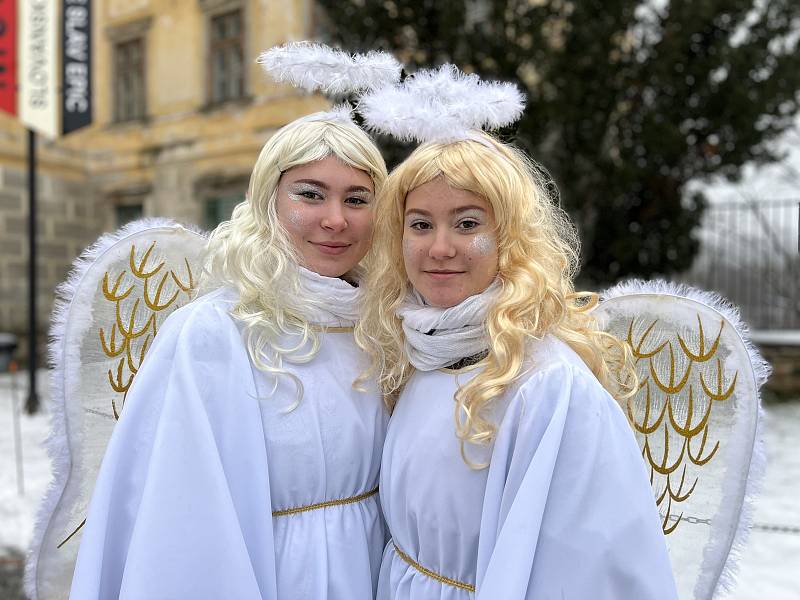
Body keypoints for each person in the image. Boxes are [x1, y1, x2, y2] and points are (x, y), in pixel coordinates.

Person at [69, 112, 390, 599]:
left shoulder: (386, 326)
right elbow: (180, 516)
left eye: (357, 199)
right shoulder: (214, 331)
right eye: (310, 193)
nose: (335, 219)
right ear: (268, 201)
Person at [356, 131, 679, 599]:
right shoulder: (419, 354)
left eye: (467, 224)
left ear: (509, 237)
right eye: (420, 224)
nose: (440, 249)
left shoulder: (547, 384)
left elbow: (587, 570)